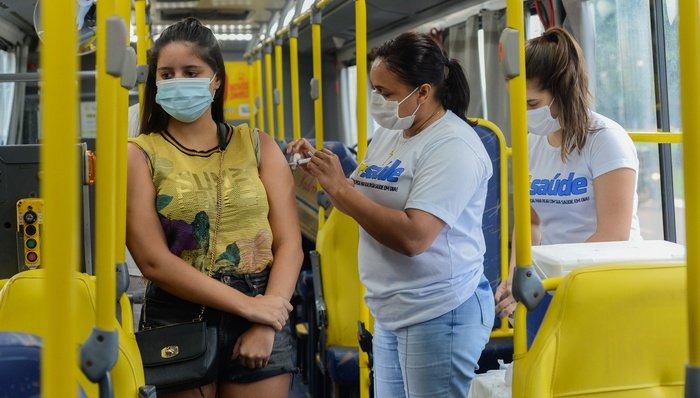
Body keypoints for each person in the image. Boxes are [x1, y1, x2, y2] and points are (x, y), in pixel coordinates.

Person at [288, 32, 495, 397]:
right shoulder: (391, 132)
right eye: (374, 91)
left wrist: (340, 189)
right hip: (391, 309)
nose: (377, 101)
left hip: (438, 310)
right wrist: (320, 169)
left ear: (424, 92)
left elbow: (414, 237)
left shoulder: (454, 146)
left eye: (386, 93)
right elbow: (354, 197)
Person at [126, 18, 301, 398]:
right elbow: (153, 261)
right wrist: (249, 307)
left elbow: (289, 243)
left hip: (263, 298)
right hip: (179, 308)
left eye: (191, 72)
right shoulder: (139, 153)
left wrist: (266, 320)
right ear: (154, 82)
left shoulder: (257, 145)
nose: (177, 81)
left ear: (216, 79)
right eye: (166, 73)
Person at [494, 27, 641, 336]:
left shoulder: (605, 141)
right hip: (551, 285)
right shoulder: (532, 142)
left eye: (532, 105)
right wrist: (515, 276)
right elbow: (530, 222)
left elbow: (613, 234)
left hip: (599, 283)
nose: (524, 114)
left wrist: (548, 279)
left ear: (562, 90)